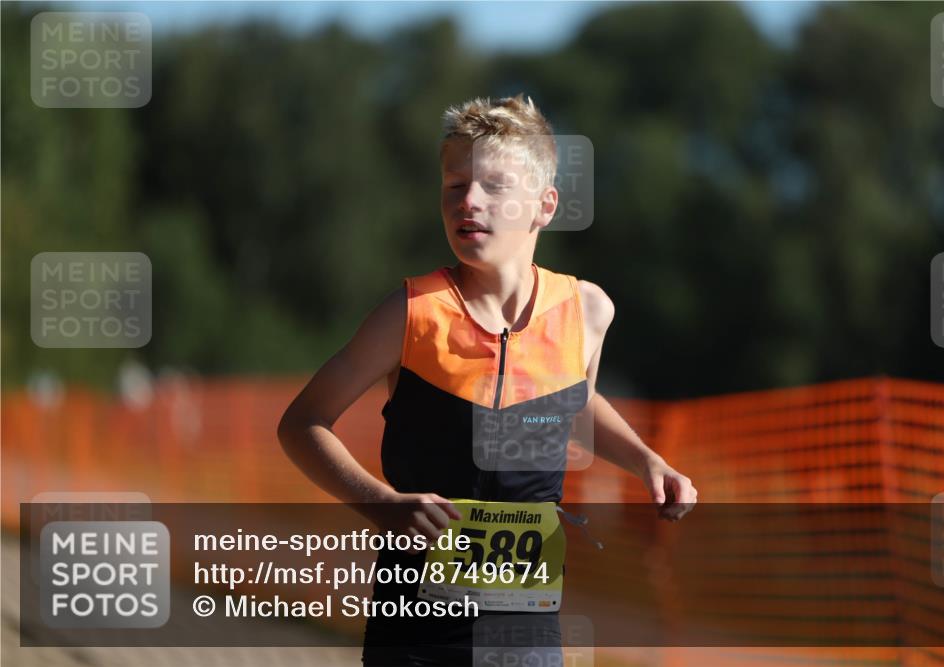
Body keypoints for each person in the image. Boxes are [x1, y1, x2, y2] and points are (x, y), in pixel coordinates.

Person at [277, 94, 697, 666]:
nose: (468, 202)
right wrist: (383, 505)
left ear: (544, 206)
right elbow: (302, 423)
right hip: (416, 629)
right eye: (454, 186)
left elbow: (573, 404)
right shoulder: (410, 312)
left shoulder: (588, 311)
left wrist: (650, 462)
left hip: (526, 634)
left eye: (494, 186)